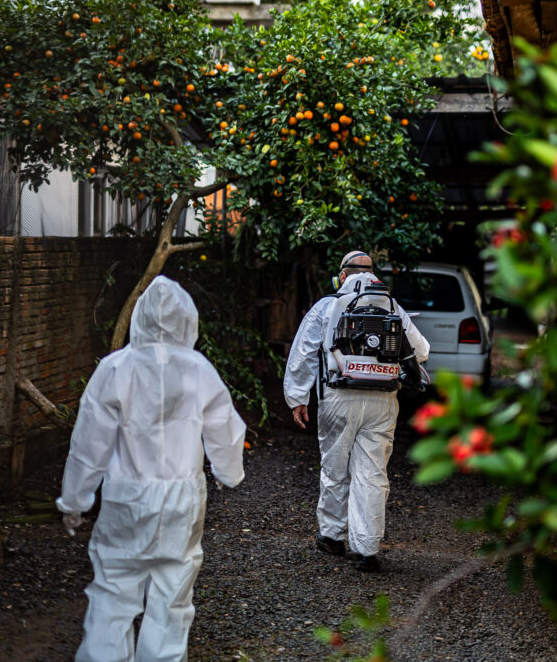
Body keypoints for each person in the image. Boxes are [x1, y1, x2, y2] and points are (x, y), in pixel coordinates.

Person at [56, 275, 246, 662]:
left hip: (126, 496)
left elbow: (88, 445)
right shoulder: (199, 370)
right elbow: (225, 430)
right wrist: (230, 474)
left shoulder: (114, 368)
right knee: (172, 599)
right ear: (186, 321)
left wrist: (74, 501)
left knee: (112, 594)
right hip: (182, 500)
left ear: (139, 319)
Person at [284, 251, 430, 572]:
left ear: (342, 276)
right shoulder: (393, 306)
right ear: (374, 276)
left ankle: (332, 536)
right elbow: (421, 350)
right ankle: (366, 548)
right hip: (382, 401)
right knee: (372, 471)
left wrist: (297, 397)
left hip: (339, 397)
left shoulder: (328, 306)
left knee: (335, 467)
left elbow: (304, 351)